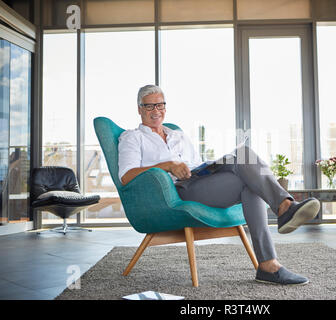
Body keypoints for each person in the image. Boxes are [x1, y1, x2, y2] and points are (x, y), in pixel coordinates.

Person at [118, 85, 321, 285]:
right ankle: (284, 208)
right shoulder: (133, 138)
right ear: (139, 109)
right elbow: (127, 176)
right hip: (179, 191)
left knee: (245, 160)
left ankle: (269, 265)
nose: (156, 111)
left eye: (160, 105)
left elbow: (195, 163)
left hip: (200, 178)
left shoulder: (178, 135)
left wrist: (211, 166)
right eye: (149, 106)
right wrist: (168, 165)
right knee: (247, 168)